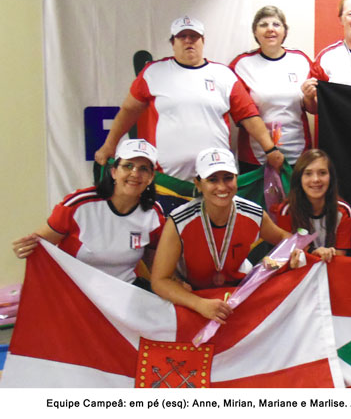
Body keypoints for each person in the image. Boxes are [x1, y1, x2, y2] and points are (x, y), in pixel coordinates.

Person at [94, 16, 284, 185]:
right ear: (173, 42)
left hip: (216, 180)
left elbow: (249, 116)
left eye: (194, 36)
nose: (188, 41)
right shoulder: (153, 73)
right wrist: (109, 145)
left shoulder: (224, 75)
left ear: (203, 41)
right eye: (182, 36)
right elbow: (129, 111)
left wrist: (270, 149)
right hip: (167, 181)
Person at [150, 147, 300, 323]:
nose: (221, 187)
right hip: (194, 294)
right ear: (198, 184)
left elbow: (285, 239)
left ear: (236, 179)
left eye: (228, 178)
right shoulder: (179, 221)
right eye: (212, 179)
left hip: (238, 292)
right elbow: (159, 281)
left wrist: (300, 251)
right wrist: (199, 304)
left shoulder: (253, 213)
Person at [12, 139, 165, 288]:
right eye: (128, 166)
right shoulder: (78, 204)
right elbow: (40, 245)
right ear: (114, 172)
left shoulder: (154, 213)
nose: (135, 174)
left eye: (143, 169)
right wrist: (23, 248)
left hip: (123, 293)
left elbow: (155, 264)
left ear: (151, 178)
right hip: (75, 292)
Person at [229, 6, 314, 172]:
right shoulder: (241, 65)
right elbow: (242, 114)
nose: (270, 29)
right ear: (255, 32)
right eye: (263, 25)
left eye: (276, 24)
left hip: (298, 152)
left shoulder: (301, 60)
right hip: (257, 156)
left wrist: (310, 97)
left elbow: (313, 108)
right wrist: (269, 149)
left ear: (285, 31)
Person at [275, 149, 351, 262]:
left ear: (331, 177)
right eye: (308, 173)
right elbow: (286, 254)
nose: (316, 179)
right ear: (299, 178)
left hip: (331, 267)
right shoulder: (286, 210)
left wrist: (325, 254)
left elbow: (340, 258)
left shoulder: (344, 210)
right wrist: (314, 252)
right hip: (298, 269)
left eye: (322, 173)